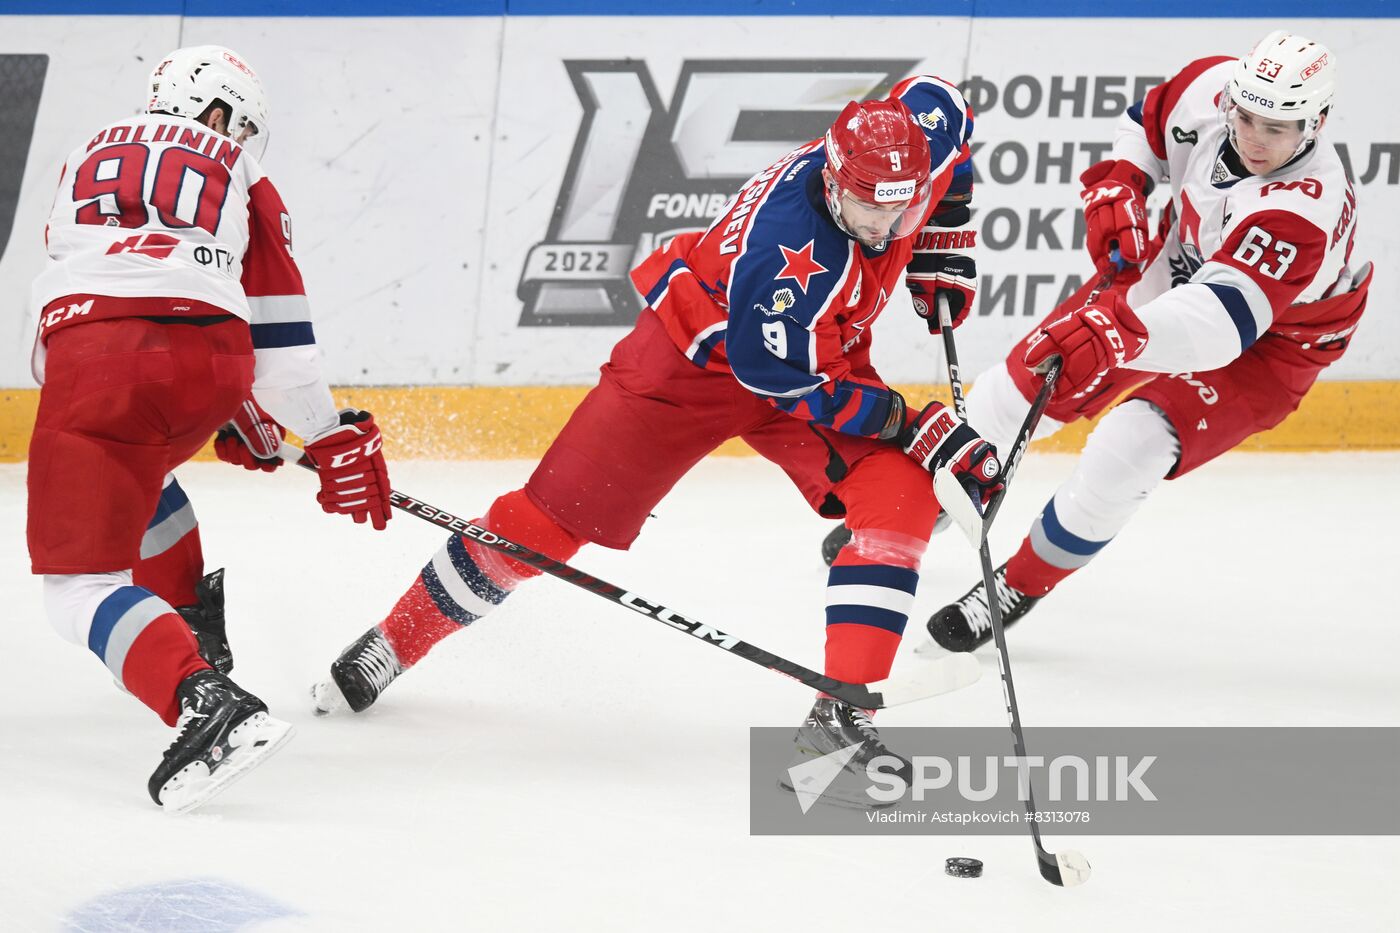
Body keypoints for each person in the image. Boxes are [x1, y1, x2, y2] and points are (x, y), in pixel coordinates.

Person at [287, 76, 994, 798]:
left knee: (903, 494)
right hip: (696, 364)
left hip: (817, 352)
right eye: (865, 210)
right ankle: (393, 642)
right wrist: (911, 423)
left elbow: (948, 120)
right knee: (544, 527)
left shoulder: (916, 140)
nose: (882, 228)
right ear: (834, 179)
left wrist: (943, 241)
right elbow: (780, 380)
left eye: (899, 209)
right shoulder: (782, 254)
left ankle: (839, 712)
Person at [27, 45, 393, 812]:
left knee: (77, 587)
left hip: (95, 357)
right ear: (218, 112)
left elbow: (64, 302)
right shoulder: (242, 170)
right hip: (212, 358)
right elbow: (281, 341)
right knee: (145, 469)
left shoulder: (83, 154)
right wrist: (322, 430)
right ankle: (194, 630)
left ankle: (204, 699)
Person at [925, 31, 1369, 651]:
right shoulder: (1210, 87)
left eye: (1279, 126)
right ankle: (932, 493)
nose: (1255, 138)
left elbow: (1222, 324)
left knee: (1131, 444)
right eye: (1245, 116)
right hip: (1180, 260)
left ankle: (1019, 585)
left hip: (1274, 340)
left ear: (1317, 122)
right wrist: (1121, 181)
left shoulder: (1303, 209)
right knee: (1023, 381)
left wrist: (1114, 333)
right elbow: (1146, 122)